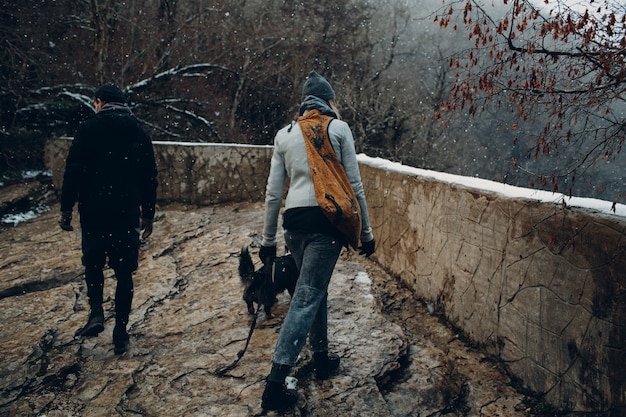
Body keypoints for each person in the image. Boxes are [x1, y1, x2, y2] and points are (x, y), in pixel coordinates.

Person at [259, 70, 376, 411]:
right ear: (328, 102)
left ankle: (322, 357)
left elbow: (272, 193)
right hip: (327, 223)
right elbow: (354, 186)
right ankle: (275, 382)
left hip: (293, 223)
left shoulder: (285, 134)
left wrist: (268, 240)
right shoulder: (337, 128)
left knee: (313, 288)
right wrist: (365, 233)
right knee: (307, 296)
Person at [59, 82, 158, 355]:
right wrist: (148, 213)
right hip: (125, 213)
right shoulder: (139, 132)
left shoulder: (88, 129)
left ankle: (96, 315)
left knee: (93, 264)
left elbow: (73, 171)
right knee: (124, 272)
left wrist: (67, 207)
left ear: (100, 102)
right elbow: (149, 177)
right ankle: (121, 332)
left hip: (94, 210)